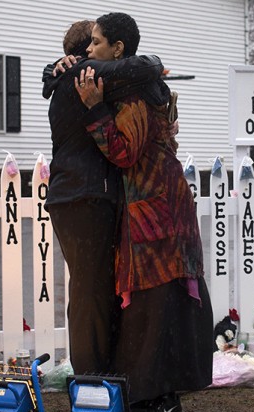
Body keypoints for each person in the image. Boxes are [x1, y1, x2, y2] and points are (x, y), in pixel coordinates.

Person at [75, 12, 214, 412]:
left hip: (155, 208)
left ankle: (150, 399)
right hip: (169, 202)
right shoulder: (150, 86)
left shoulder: (134, 96)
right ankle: (168, 397)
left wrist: (95, 110)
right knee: (170, 301)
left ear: (118, 49)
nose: (90, 49)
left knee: (152, 305)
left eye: (97, 43)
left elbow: (123, 153)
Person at [42, 21, 166, 376]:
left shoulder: (72, 77)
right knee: (90, 292)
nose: (96, 49)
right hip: (84, 196)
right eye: (93, 44)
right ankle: (91, 380)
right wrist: (155, 65)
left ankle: (100, 374)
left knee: (93, 287)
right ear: (83, 54)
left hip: (79, 195)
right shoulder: (83, 74)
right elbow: (140, 68)